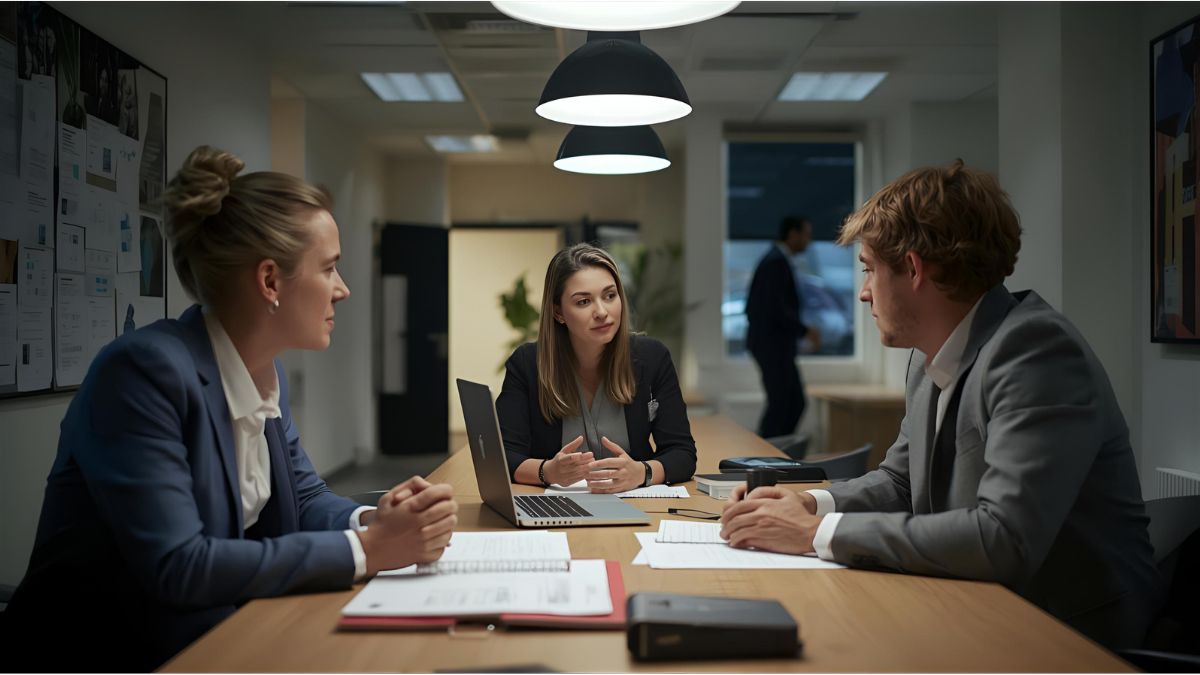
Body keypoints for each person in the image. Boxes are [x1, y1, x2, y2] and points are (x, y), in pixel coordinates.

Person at [4, 146, 459, 671]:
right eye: (330, 268)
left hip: (219, 637)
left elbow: (304, 497)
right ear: (269, 281)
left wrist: (373, 518)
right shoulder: (142, 373)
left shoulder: (264, 372)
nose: (343, 290)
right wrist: (370, 550)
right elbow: (180, 565)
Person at [720, 160, 1162, 650]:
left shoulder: (1035, 352)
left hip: (1068, 632)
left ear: (912, 268)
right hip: (975, 605)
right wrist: (807, 502)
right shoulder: (930, 356)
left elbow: (1003, 538)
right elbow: (899, 481)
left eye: (868, 270)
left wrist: (816, 531)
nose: (864, 293)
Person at [496, 243, 697, 492]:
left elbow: (682, 453)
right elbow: (503, 456)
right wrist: (546, 471)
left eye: (610, 296)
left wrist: (641, 472)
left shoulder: (652, 357)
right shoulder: (527, 363)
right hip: (557, 507)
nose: (602, 312)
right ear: (558, 312)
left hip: (637, 504)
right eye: (583, 302)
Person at [744, 215, 819, 438]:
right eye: (806, 234)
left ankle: (775, 454)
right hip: (772, 346)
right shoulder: (775, 262)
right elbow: (775, 308)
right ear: (792, 234)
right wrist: (805, 330)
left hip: (774, 346)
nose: (809, 240)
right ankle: (767, 457)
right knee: (784, 403)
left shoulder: (777, 260)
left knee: (790, 402)